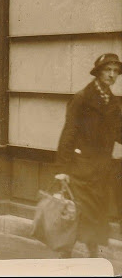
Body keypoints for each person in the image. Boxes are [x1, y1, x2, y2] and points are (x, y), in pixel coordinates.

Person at [56, 53, 122, 259]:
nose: (112, 75)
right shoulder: (82, 98)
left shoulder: (113, 102)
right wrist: (62, 170)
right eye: (108, 70)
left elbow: (118, 132)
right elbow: (68, 134)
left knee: (95, 218)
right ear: (98, 73)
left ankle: (93, 258)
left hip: (102, 171)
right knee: (76, 215)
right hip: (80, 169)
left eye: (115, 71)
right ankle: (65, 258)